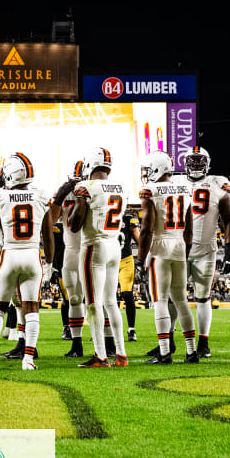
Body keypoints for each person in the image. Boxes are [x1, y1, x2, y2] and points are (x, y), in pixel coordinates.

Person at [0, 152, 54, 370]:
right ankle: (28, 359)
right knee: (31, 309)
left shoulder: (0, 196)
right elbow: (48, 236)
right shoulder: (41, 195)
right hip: (32, 256)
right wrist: (49, 263)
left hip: (9, 254)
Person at [69, 147, 128, 368]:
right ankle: (121, 354)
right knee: (111, 302)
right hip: (114, 246)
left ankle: (100, 356)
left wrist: (77, 203)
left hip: (95, 246)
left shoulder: (85, 186)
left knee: (93, 304)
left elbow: (75, 225)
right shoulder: (122, 187)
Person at [137, 151, 194, 364]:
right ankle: (192, 351)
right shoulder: (185, 188)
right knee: (181, 300)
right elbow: (189, 229)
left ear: (157, 168)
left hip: (159, 247)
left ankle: (164, 352)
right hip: (179, 245)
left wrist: (141, 257)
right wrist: (184, 253)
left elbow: (146, 230)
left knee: (160, 301)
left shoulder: (150, 190)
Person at [183, 146, 230, 359]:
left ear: (207, 163)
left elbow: (229, 220)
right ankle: (166, 341)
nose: (196, 165)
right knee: (174, 297)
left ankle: (203, 342)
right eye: (193, 161)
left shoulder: (218, 183)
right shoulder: (176, 183)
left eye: (200, 161)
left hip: (206, 250)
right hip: (180, 249)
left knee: (203, 298)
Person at [50, 160, 88, 358]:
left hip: (91, 249)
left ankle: (108, 344)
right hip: (71, 251)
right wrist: (61, 195)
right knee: (74, 299)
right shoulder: (63, 194)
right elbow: (51, 220)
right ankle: (77, 344)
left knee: (98, 301)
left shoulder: (93, 191)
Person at [118, 209, 141, 344]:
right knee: (103, 296)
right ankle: (104, 328)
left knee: (127, 294)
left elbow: (138, 238)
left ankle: (131, 329)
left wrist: (145, 256)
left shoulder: (128, 219)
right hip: (108, 260)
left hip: (125, 260)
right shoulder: (101, 215)